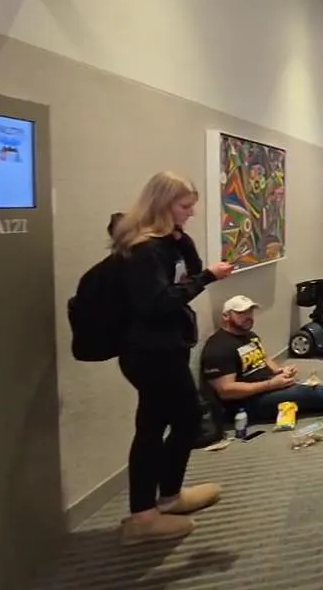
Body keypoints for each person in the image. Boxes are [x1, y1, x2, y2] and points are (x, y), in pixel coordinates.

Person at [111, 171, 234, 545]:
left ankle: (167, 497)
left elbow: (190, 272)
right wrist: (207, 277)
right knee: (164, 425)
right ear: (163, 205)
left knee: (174, 420)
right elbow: (158, 303)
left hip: (166, 349)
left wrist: (183, 241)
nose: (191, 213)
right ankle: (144, 515)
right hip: (149, 353)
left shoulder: (167, 243)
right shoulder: (143, 250)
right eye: (184, 206)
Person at [200, 295, 323, 421]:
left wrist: (279, 371)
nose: (248, 316)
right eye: (241, 313)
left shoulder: (248, 335)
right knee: (310, 393)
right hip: (246, 403)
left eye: (250, 312)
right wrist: (270, 385)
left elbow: (263, 359)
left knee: (312, 386)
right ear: (226, 316)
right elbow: (226, 391)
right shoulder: (218, 347)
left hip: (266, 387)